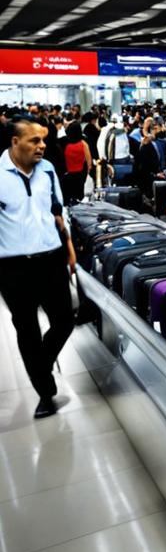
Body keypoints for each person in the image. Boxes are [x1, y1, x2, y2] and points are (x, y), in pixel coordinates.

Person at [0, 117, 78, 418]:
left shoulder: (47, 170)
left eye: (43, 140)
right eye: (35, 140)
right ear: (15, 142)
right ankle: (45, 392)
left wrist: (68, 246)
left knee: (64, 321)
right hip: (13, 267)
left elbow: (57, 211)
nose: (42, 146)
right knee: (27, 330)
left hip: (52, 258)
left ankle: (40, 366)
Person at [59, 122, 91, 205]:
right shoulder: (83, 143)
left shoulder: (64, 142)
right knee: (79, 198)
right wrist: (87, 173)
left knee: (67, 198)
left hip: (68, 175)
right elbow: (89, 162)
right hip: (80, 175)